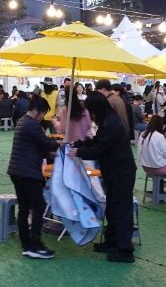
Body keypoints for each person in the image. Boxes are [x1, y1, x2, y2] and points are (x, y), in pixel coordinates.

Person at [71, 92, 136, 263]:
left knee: (121, 210)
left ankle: (125, 249)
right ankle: (112, 241)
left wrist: (79, 151)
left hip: (121, 172)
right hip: (114, 171)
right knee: (113, 208)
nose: (90, 115)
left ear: (97, 109)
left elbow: (99, 149)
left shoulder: (110, 123)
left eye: (91, 111)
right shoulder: (108, 120)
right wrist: (80, 144)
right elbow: (97, 142)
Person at [6, 95, 58, 259]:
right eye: (43, 114)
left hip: (17, 171)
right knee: (39, 206)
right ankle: (35, 244)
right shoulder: (32, 124)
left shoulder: (22, 121)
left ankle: (26, 245)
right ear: (37, 111)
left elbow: (35, 145)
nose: (43, 117)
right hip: (28, 172)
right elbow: (45, 144)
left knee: (24, 208)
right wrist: (61, 144)